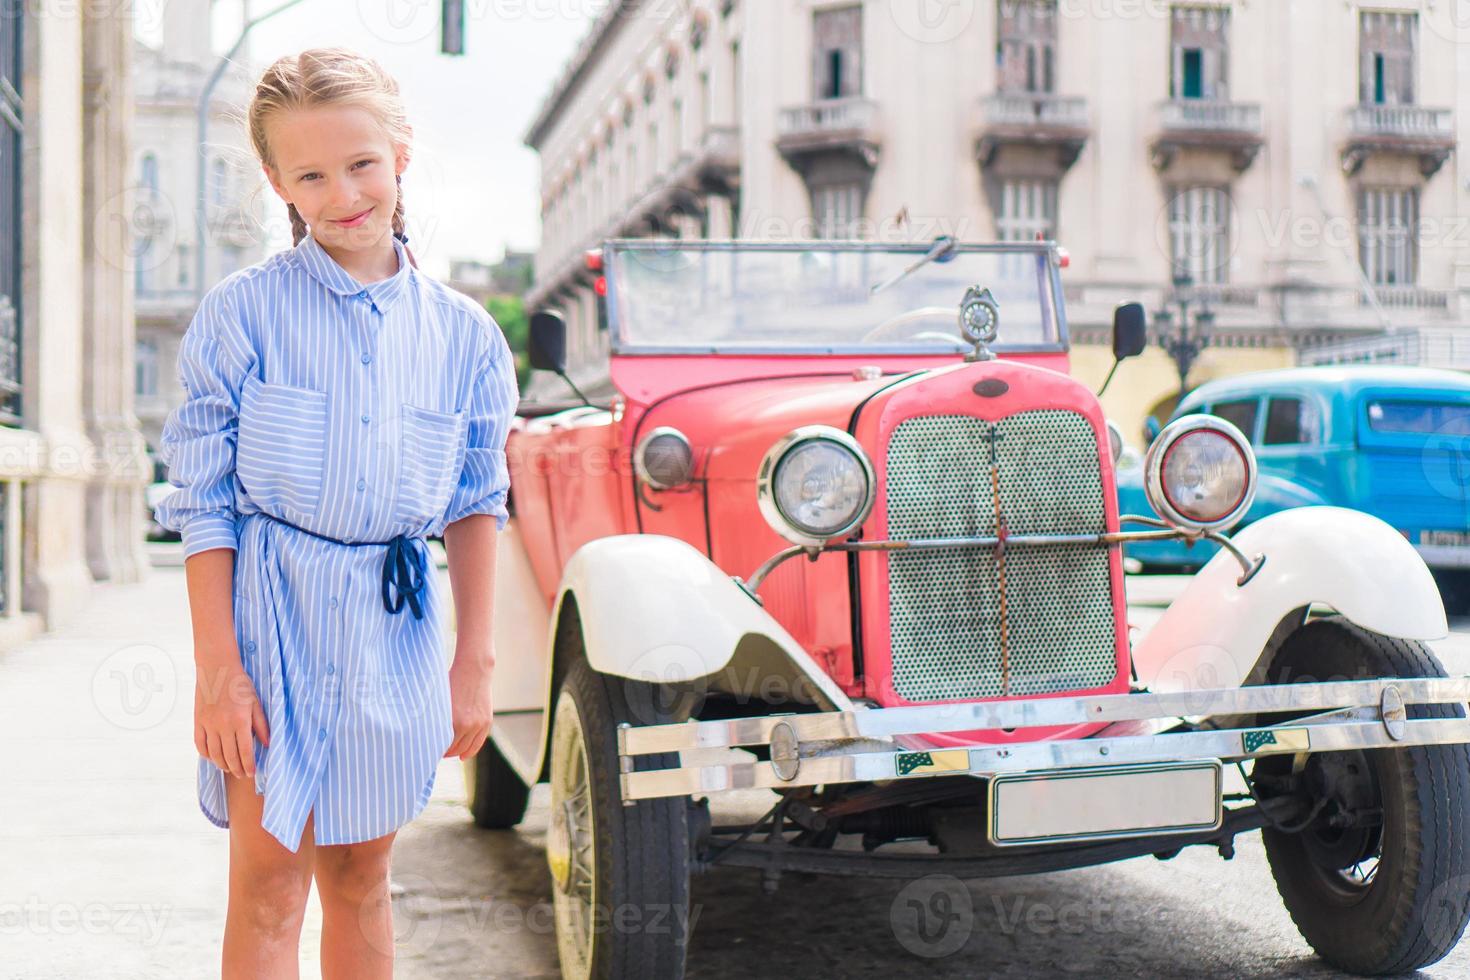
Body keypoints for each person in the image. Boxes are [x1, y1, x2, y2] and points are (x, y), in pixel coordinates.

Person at [154, 47, 520, 979]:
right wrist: (217, 673)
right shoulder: (241, 315)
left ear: (400, 153)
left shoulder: (466, 336)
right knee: (270, 882)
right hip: (270, 623)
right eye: (311, 173)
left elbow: (477, 501)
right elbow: (204, 504)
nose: (344, 192)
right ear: (278, 182)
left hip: (392, 630)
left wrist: (473, 662)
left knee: (362, 875)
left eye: (361, 163)